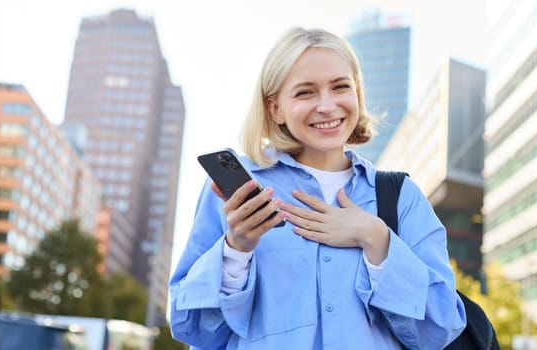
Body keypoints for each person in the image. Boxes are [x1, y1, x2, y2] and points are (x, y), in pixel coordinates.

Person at [170, 27, 466, 349]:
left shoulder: (401, 197)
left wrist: (377, 240)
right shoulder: (238, 195)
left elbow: (441, 328)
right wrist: (235, 250)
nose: (327, 106)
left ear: (357, 93)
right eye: (305, 92)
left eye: (340, 87)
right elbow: (193, 328)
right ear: (275, 108)